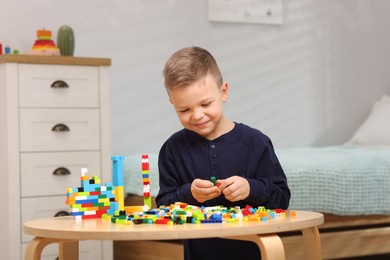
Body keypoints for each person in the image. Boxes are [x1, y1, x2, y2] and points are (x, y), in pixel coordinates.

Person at [155, 46, 290, 260]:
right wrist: (190, 193)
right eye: (184, 110)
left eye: (206, 104)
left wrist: (250, 188)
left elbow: (282, 199)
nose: (197, 115)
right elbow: (163, 205)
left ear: (223, 92)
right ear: (173, 104)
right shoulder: (172, 149)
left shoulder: (256, 142)